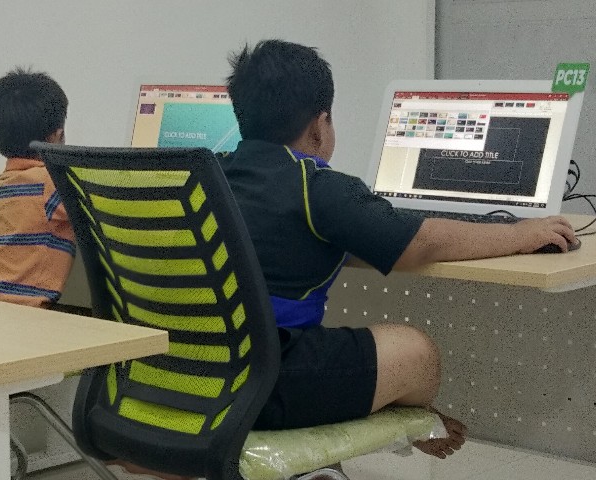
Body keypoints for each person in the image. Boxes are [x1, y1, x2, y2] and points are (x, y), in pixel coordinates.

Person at [216, 39, 578, 459]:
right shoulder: (314, 186)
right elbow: (422, 243)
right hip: (263, 384)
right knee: (416, 353)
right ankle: (402, 419)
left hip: (188, 377)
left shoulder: (211, 176)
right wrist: (520, 234)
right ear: (320, 124)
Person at [0, 68, 78, 311]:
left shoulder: (2, 182)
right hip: (21, 309)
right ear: (57, 136)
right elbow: (98, 209)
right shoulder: (52, 183)